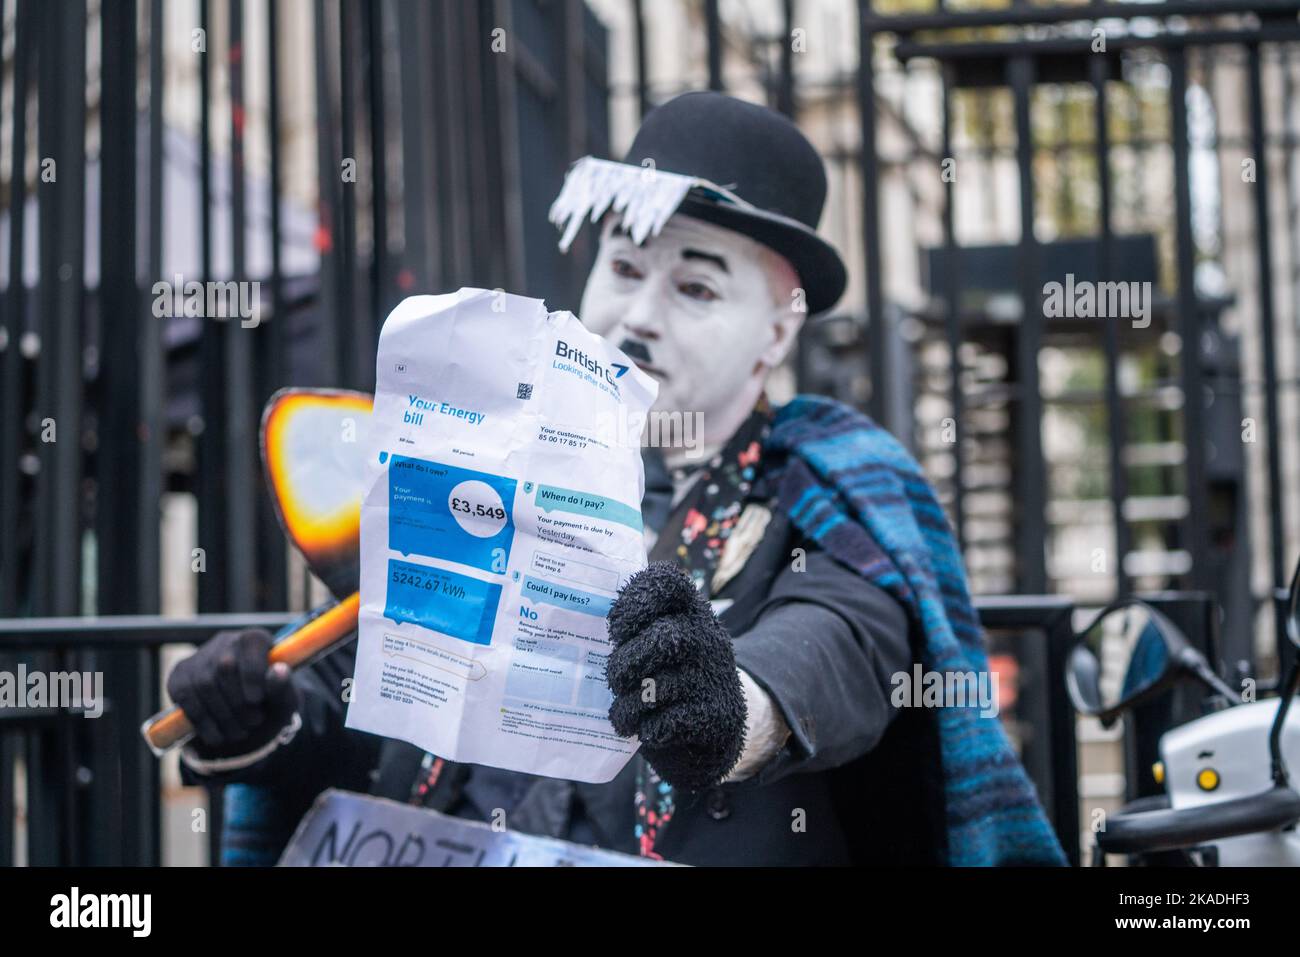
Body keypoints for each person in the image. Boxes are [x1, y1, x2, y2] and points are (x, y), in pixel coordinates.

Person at [168, 92, 1064, 866]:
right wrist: (265, 718)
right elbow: (375, 709)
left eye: (697, 289)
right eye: (625, 269)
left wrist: (732, 710)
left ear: (778, 335)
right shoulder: (480, 465)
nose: (636, 316)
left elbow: (841, 647)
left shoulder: (826, 485)